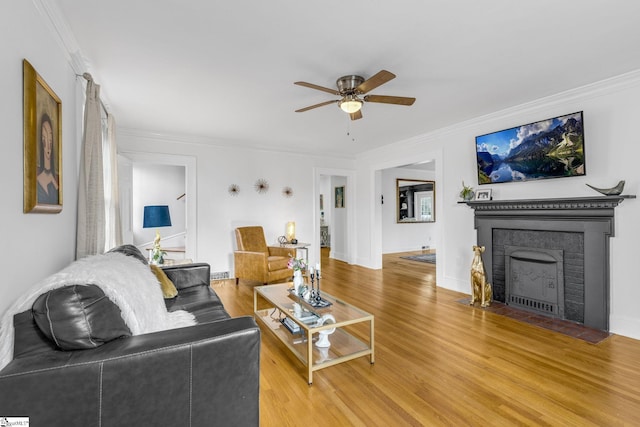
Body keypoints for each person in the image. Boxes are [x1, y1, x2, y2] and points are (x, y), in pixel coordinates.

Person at [36, 113, 59, 204]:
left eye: (50, 140)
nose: (48, 146)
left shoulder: (55, 178)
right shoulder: (38, 180)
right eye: (44, 140)